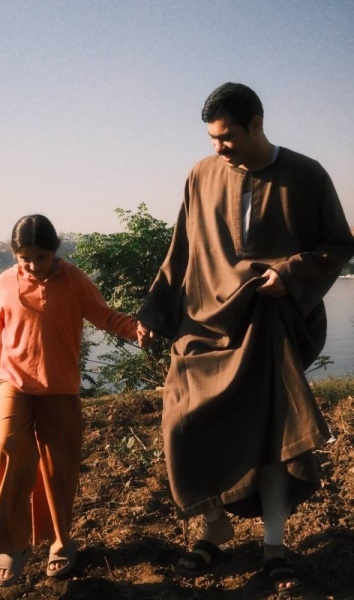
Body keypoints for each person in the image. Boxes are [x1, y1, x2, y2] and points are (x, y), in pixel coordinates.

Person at [137, 82, 354, 596]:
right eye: (212, 138)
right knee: (183, 425)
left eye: (226, 136)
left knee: (273, 440)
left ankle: (274, 547)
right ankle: (215, 526)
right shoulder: (201, 174)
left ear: (256, 123)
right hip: (203, 324)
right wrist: (154, 311)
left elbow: (338, 244)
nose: (218, 147)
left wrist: (291, 272)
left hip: (270, 323)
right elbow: (182, 247)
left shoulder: (306, 174)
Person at [0, 214, 137, 587]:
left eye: (41, 257)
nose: (33, 265)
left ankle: (61, 541)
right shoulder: (6, 281)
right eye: (25, 258)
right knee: (7, 449)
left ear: (55, 252)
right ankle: (13, 545)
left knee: (58, 470)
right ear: (15, 254)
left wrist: (136, 329)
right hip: (16, 383)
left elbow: (103, 314)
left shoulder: (74, 280)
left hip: (60, 388)